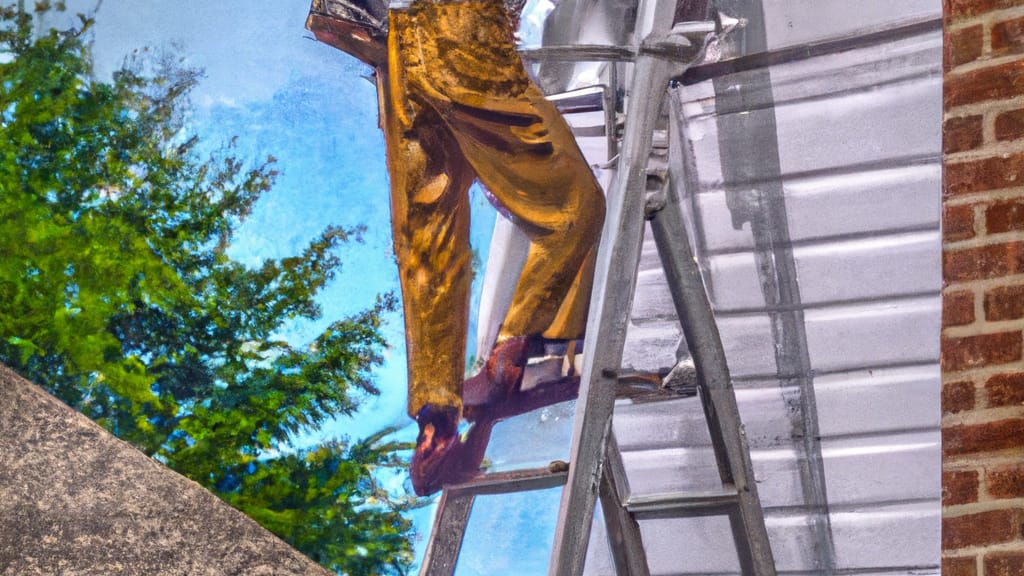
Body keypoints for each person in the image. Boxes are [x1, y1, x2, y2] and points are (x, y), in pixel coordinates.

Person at [307, 0, 604, 496]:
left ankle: (436, 415)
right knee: (576, 205)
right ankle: (514, 359)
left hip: (396, 49)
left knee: (430, 238)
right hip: (460, 31)